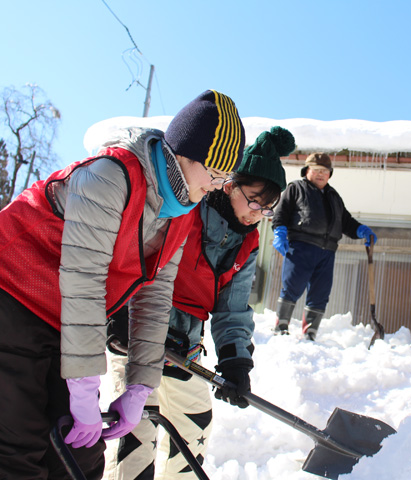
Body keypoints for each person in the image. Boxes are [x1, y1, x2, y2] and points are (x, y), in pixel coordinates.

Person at [0, 89, 245, 479]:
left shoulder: (180, 211)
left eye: (225, 178)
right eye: (215, 173)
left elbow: (154, 297)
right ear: (184, 154)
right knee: (18, 451)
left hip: (62, 321)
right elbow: (84, 280)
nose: (217, 186)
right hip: (13, 299)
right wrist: (82, 388)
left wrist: (139, 388)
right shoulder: (110, 176)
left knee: (79, 459)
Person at [105, 126, 294, 479]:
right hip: (138, 330)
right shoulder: (188, 206)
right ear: (229, 183)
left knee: (194, 423)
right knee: (136, 429)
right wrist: (119, 310)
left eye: (267, 208)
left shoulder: (247, 243)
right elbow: (140, 256)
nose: (257, 213)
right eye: (254, 200)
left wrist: (236, 361)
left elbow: (233, 308)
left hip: (184, 344)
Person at [271, 152, 377, 340]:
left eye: (325, 171)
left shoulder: (333, 196)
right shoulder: (296, 188)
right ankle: (281, 325)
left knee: (321, 291)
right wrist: (279, 232)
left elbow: (345, 221)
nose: (321, 174)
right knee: (292, 285)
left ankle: (311, 330)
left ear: (330, 174)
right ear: (307, 171)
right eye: (316, 170)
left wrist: (361, 230)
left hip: (327, 251)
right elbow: (281, 213)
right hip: (301, 246)